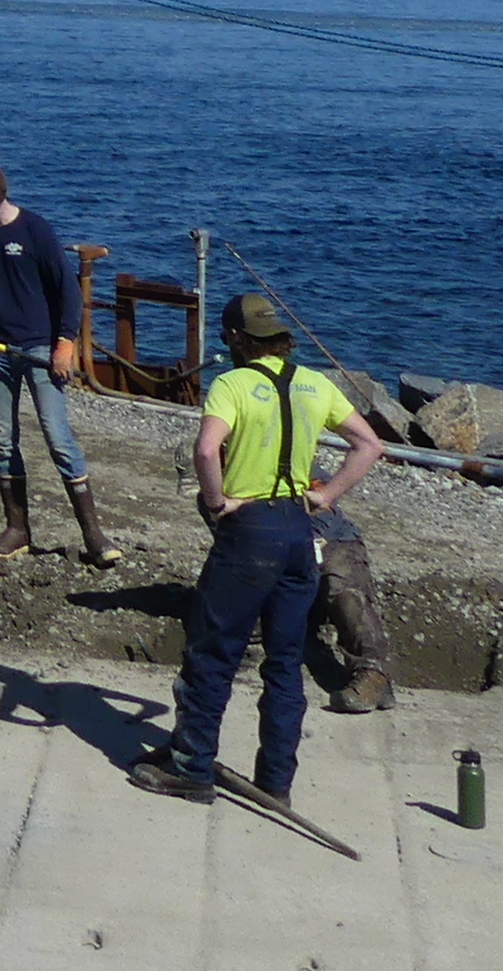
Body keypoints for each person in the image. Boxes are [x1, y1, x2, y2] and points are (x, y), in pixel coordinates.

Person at [129, 292, 386, 810]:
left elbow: (205, 450)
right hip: (299, 531)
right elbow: (370, 445)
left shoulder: (232, 384)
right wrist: (327, 495)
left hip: (250, 531)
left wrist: (217, 501)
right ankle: (275, 782)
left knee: (213, 651)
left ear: (235, 339)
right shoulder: (315, 383)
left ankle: (191, 767)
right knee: (286, 661)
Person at [0, 159, 115, 566]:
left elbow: (68, 294)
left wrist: (65, 345)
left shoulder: (36, 230)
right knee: (3, 439)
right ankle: (16, 530)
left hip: (41, 351)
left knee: (57, 438)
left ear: (1, 195)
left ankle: (94, 535)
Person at [313, 508, 396, 714]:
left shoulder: (307, 478)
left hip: (326, 538)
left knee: (344, 594)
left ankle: (374, 672)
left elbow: (324, 505)